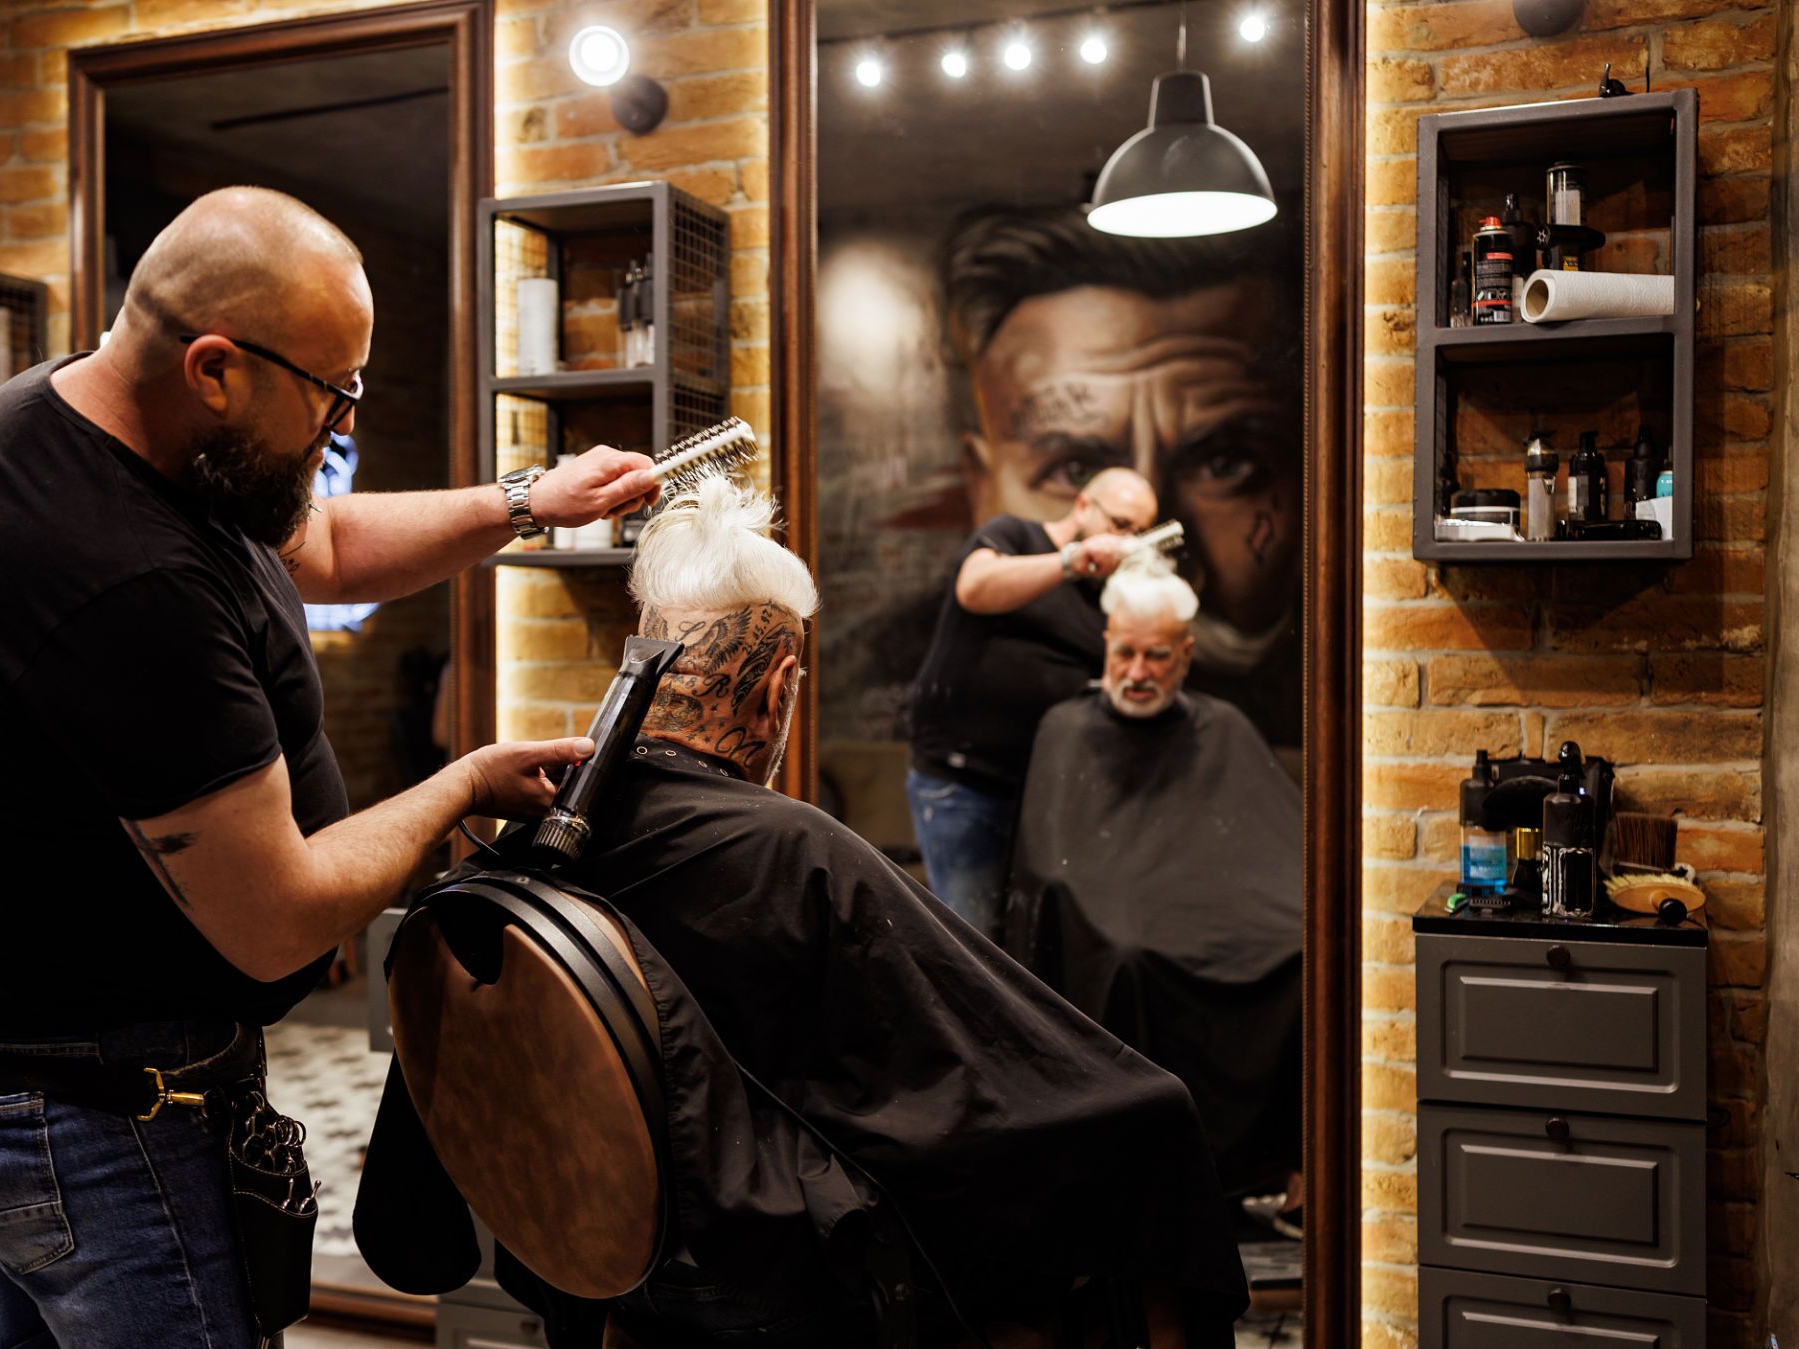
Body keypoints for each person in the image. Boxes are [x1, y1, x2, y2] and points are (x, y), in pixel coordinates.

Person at [0, 186, 657, 1344]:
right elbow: (278, 918)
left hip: (13, 1057)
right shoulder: (121, 582)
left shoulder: (82, 414)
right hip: (89, 1112)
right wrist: (462, 782)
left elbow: (325, 544)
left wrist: (528, 501)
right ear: (213, 368)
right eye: (330, 388)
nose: (342, 425)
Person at [358, 477, 1248, 1349]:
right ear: (779, 684)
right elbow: (968, 1094)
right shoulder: (797, 854)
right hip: (788, 1282)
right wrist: (1145, 1110)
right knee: (1145, 1132)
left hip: (619, 1271)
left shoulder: (532, 847)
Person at [941, 207, 1302, 747]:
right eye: (1074, 466)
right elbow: (974, 588)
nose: (1153, 553)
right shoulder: (1020, 548)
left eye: (1225, 464)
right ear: (980, 484)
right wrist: (1071, 562)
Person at [1005, 553, 1302, 1197]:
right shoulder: (1067, 731)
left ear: (1187, 656)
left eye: (1158, 658)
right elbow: (1054, 875)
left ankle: (1273, 1169)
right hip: (1118, 924)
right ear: (1107, 644)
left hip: (1213, 915)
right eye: (1127, 654)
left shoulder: (1221, 727)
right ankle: (1143, 1182)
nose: (1138, 673)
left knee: (1301, 955)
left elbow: (1277, 851)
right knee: (1127, 959)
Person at [902, 466, 1156, 932]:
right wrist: (1072, 561)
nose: (1126, 542)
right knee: (973, 943)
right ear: (1083, 505)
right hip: (965, 782)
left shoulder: (1104, 593)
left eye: (1139, 533)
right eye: (1120, 525)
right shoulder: (1014, 534)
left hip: (1041, 796)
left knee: (1027, 950)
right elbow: (974, 588)